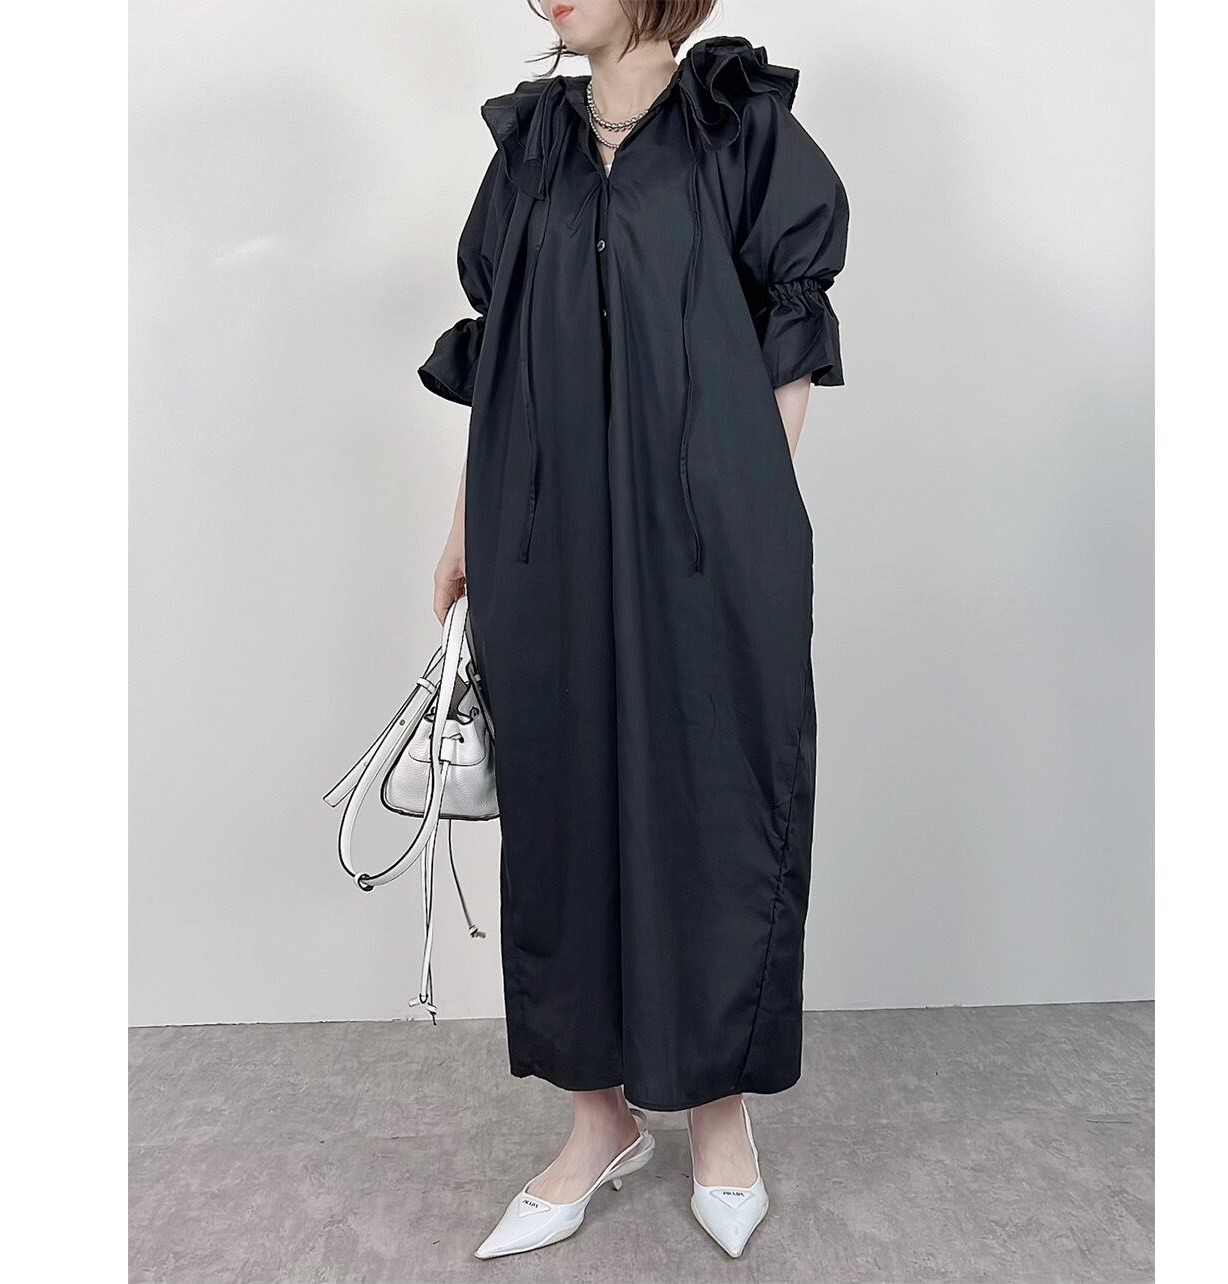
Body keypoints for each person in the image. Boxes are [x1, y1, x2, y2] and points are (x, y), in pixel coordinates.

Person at [418, 0, 848, 1260]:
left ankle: (719, 1121)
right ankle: (598, 1121)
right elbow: (501, 355)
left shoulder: (739, 130)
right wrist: (463, 527)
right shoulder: (533, 148)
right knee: (563, 813)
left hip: (707, 539)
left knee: (713, 801)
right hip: (544, 535)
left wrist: (745, 505)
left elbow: (790, 332)